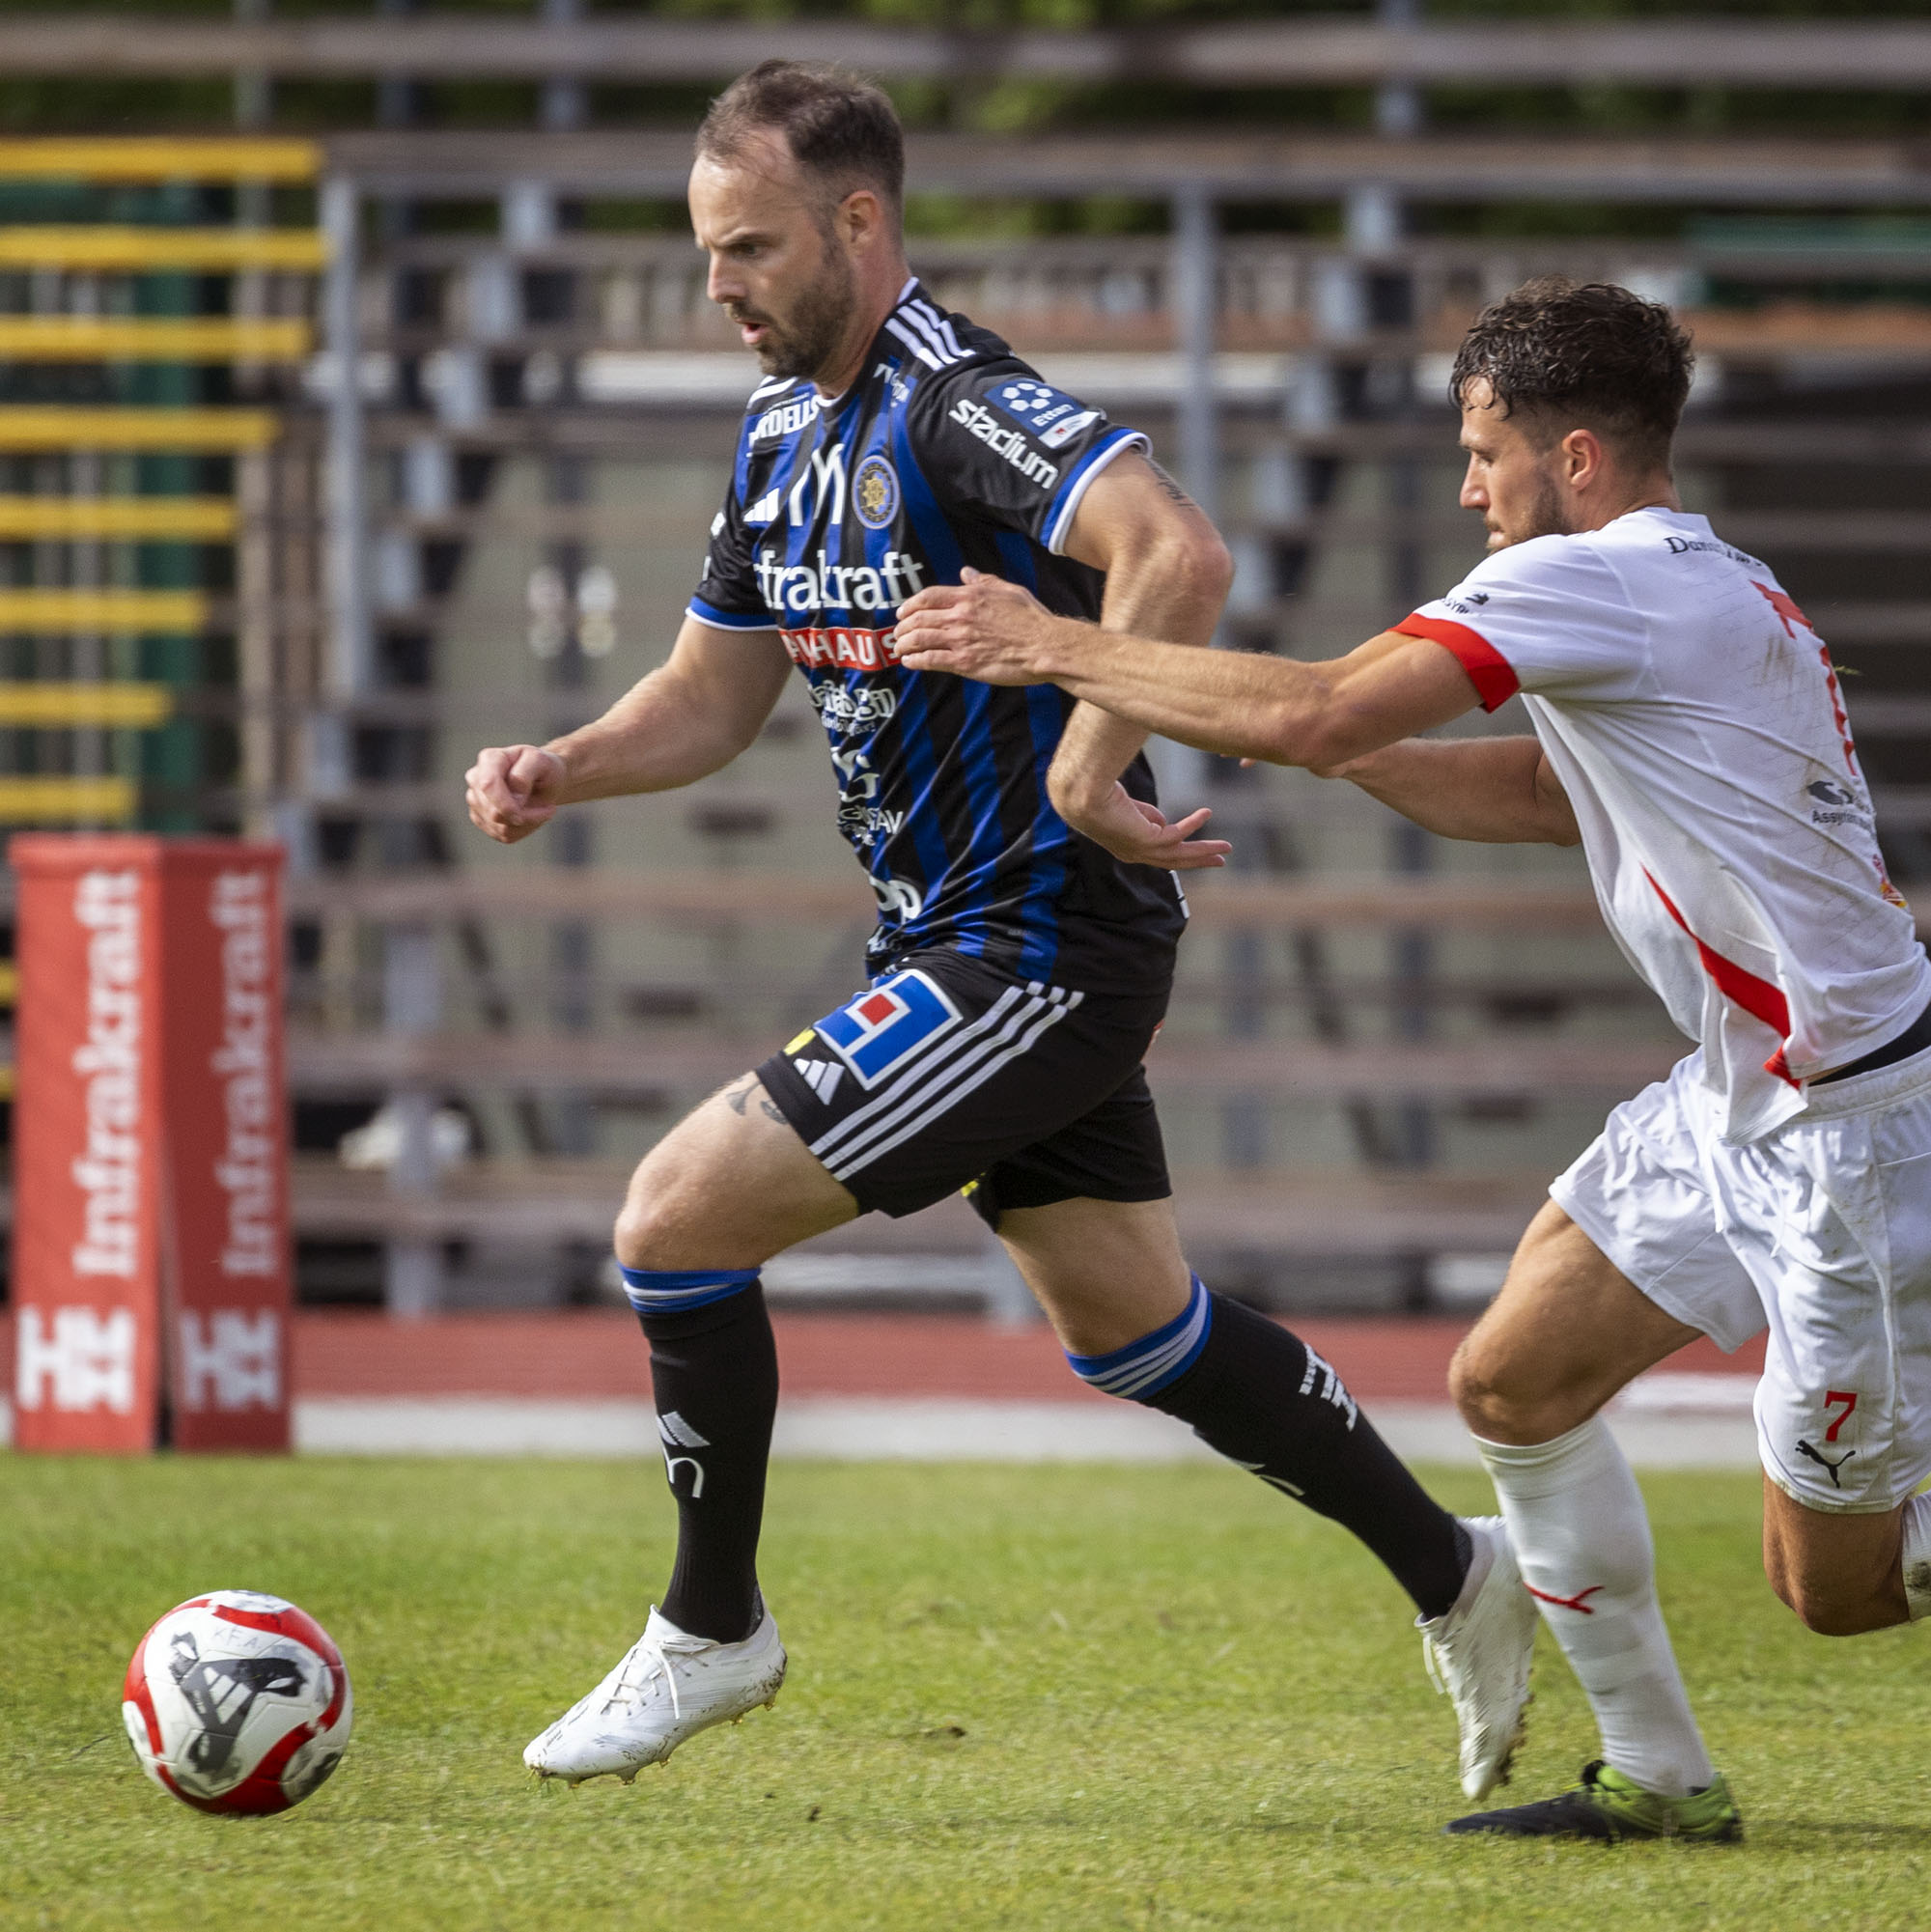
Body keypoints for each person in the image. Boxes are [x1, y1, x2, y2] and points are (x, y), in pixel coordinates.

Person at [464, 60, 1533, 1798]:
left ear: (860, 222)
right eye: (705, 252)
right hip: (955, 948)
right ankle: (1462, 1573)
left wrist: (1095, 755)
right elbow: (709, 701)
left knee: (672, 1219)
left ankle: (711, 1623)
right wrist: (557, 766)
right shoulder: (778, 432)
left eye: (748, 248)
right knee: (1138, 1327)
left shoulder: (952, 397)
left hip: (1033, 947)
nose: (719, 286)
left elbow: (1172, 555)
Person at [897, 273, 1931, 1844]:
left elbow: (1316, 708)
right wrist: (1298, 737)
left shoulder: (1594, 582)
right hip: (1755, 1094)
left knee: (1832, 1591)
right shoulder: (1697, 589)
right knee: (1512, 1378)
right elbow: (1533, 794)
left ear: (1576, 459)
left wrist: (1054, 646)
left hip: (1849, 1139)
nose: (1469, 487)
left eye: (1485, 451)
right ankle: (1658, 1780)